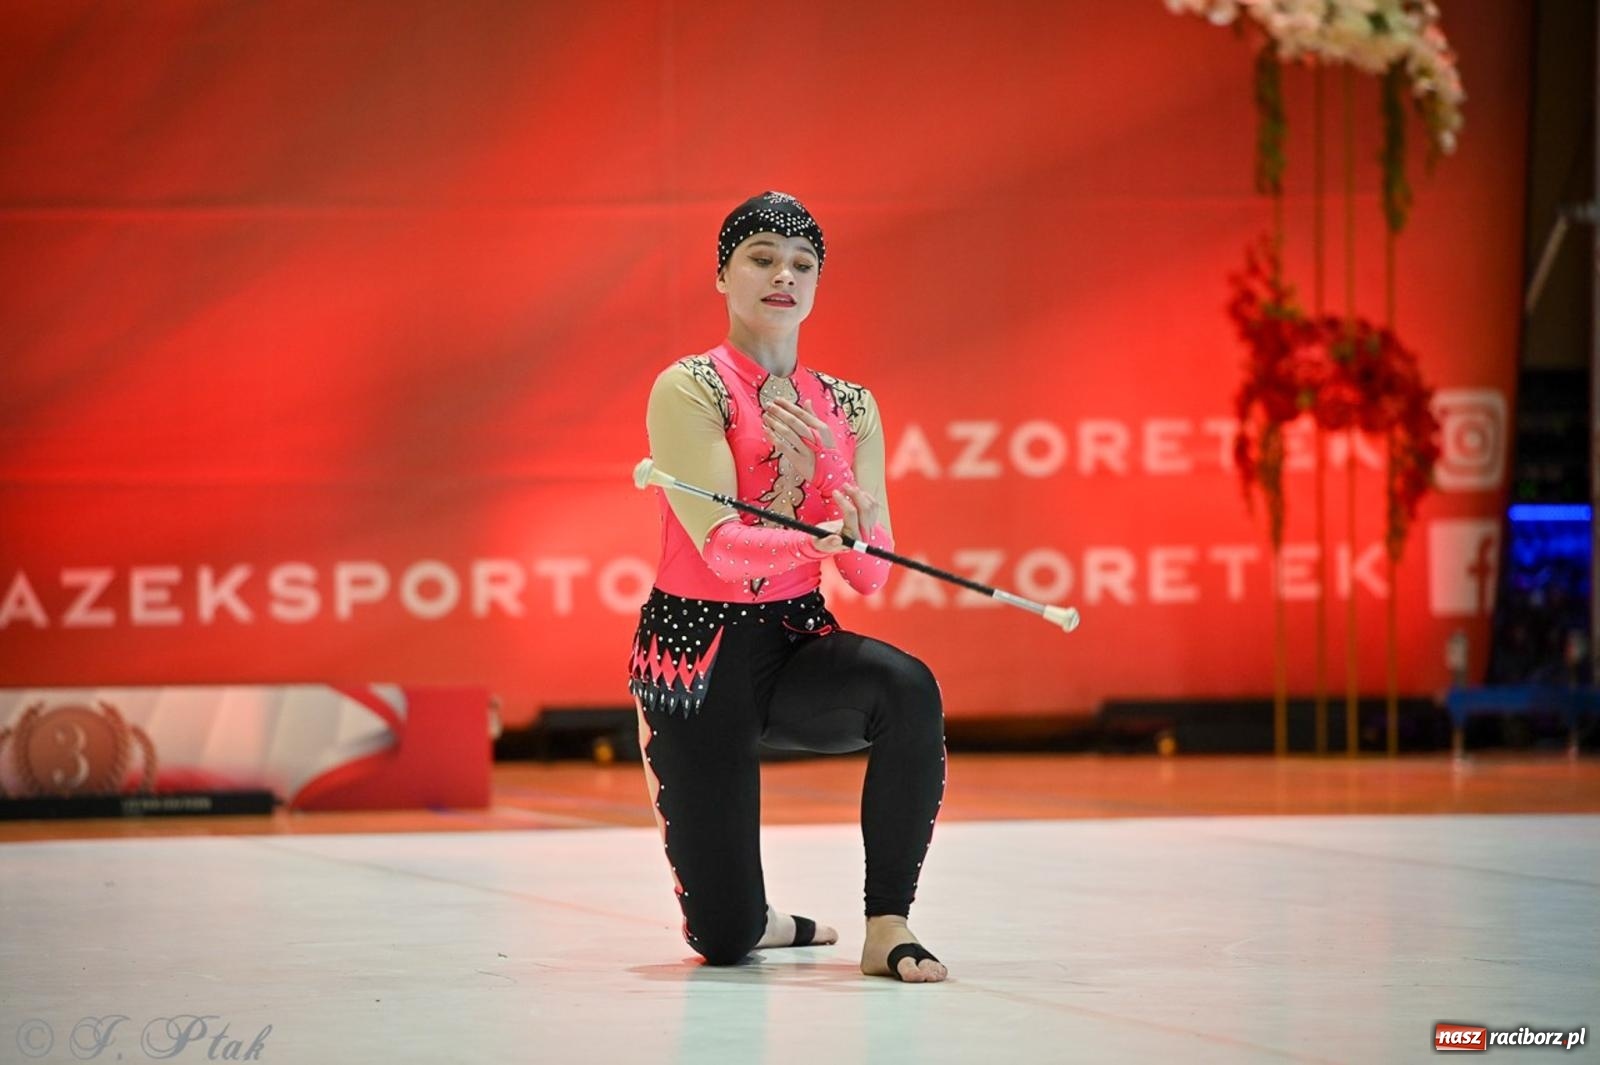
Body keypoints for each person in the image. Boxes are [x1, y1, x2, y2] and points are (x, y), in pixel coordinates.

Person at [628, 191, 948, 983]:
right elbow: (723, 550)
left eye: (803, 264)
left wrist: (832, 472)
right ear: (722, 274)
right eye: (762, 258)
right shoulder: (691, 387)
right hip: (695, 658)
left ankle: (888, 923)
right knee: (724, 940)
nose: (784, 275)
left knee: (908, 687)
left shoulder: (850, 405)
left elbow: (870, 572)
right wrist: (816, 532)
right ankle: (761, 917)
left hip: (795, 641)